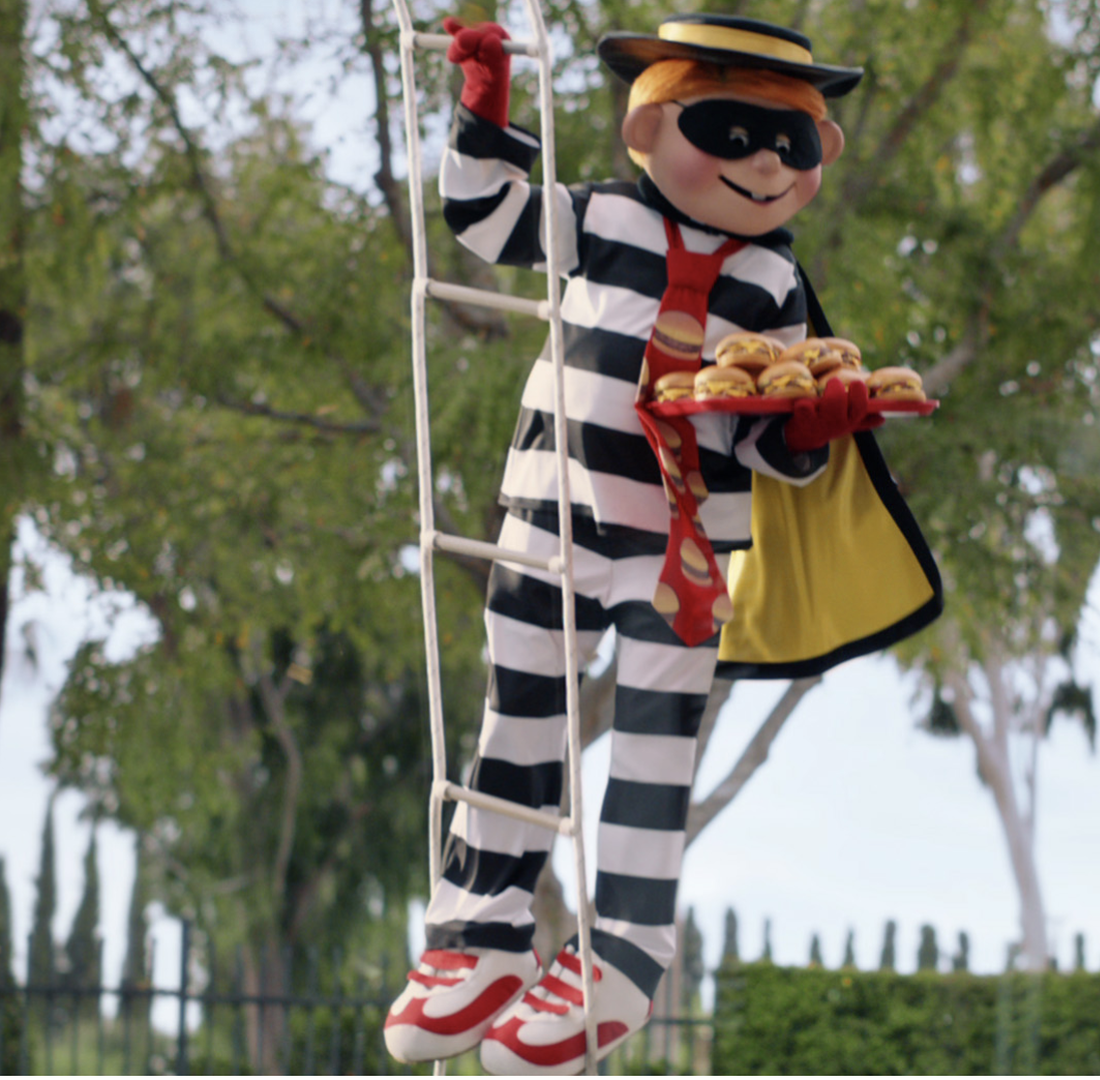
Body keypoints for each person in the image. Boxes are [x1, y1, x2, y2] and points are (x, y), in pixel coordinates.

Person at [382, 14, 940, 1074]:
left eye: (797, 142)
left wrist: (810, 428)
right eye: (730, 129)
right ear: (654, 123)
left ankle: (624, 955)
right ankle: (479, 936)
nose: (768, 162)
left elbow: (772, 435)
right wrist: (489, 108)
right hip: (551, 513)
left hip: (683, 547)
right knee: (520, 724)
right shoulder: (598, 221)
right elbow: (485, 217)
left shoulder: (772, 287)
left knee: (653, 750)